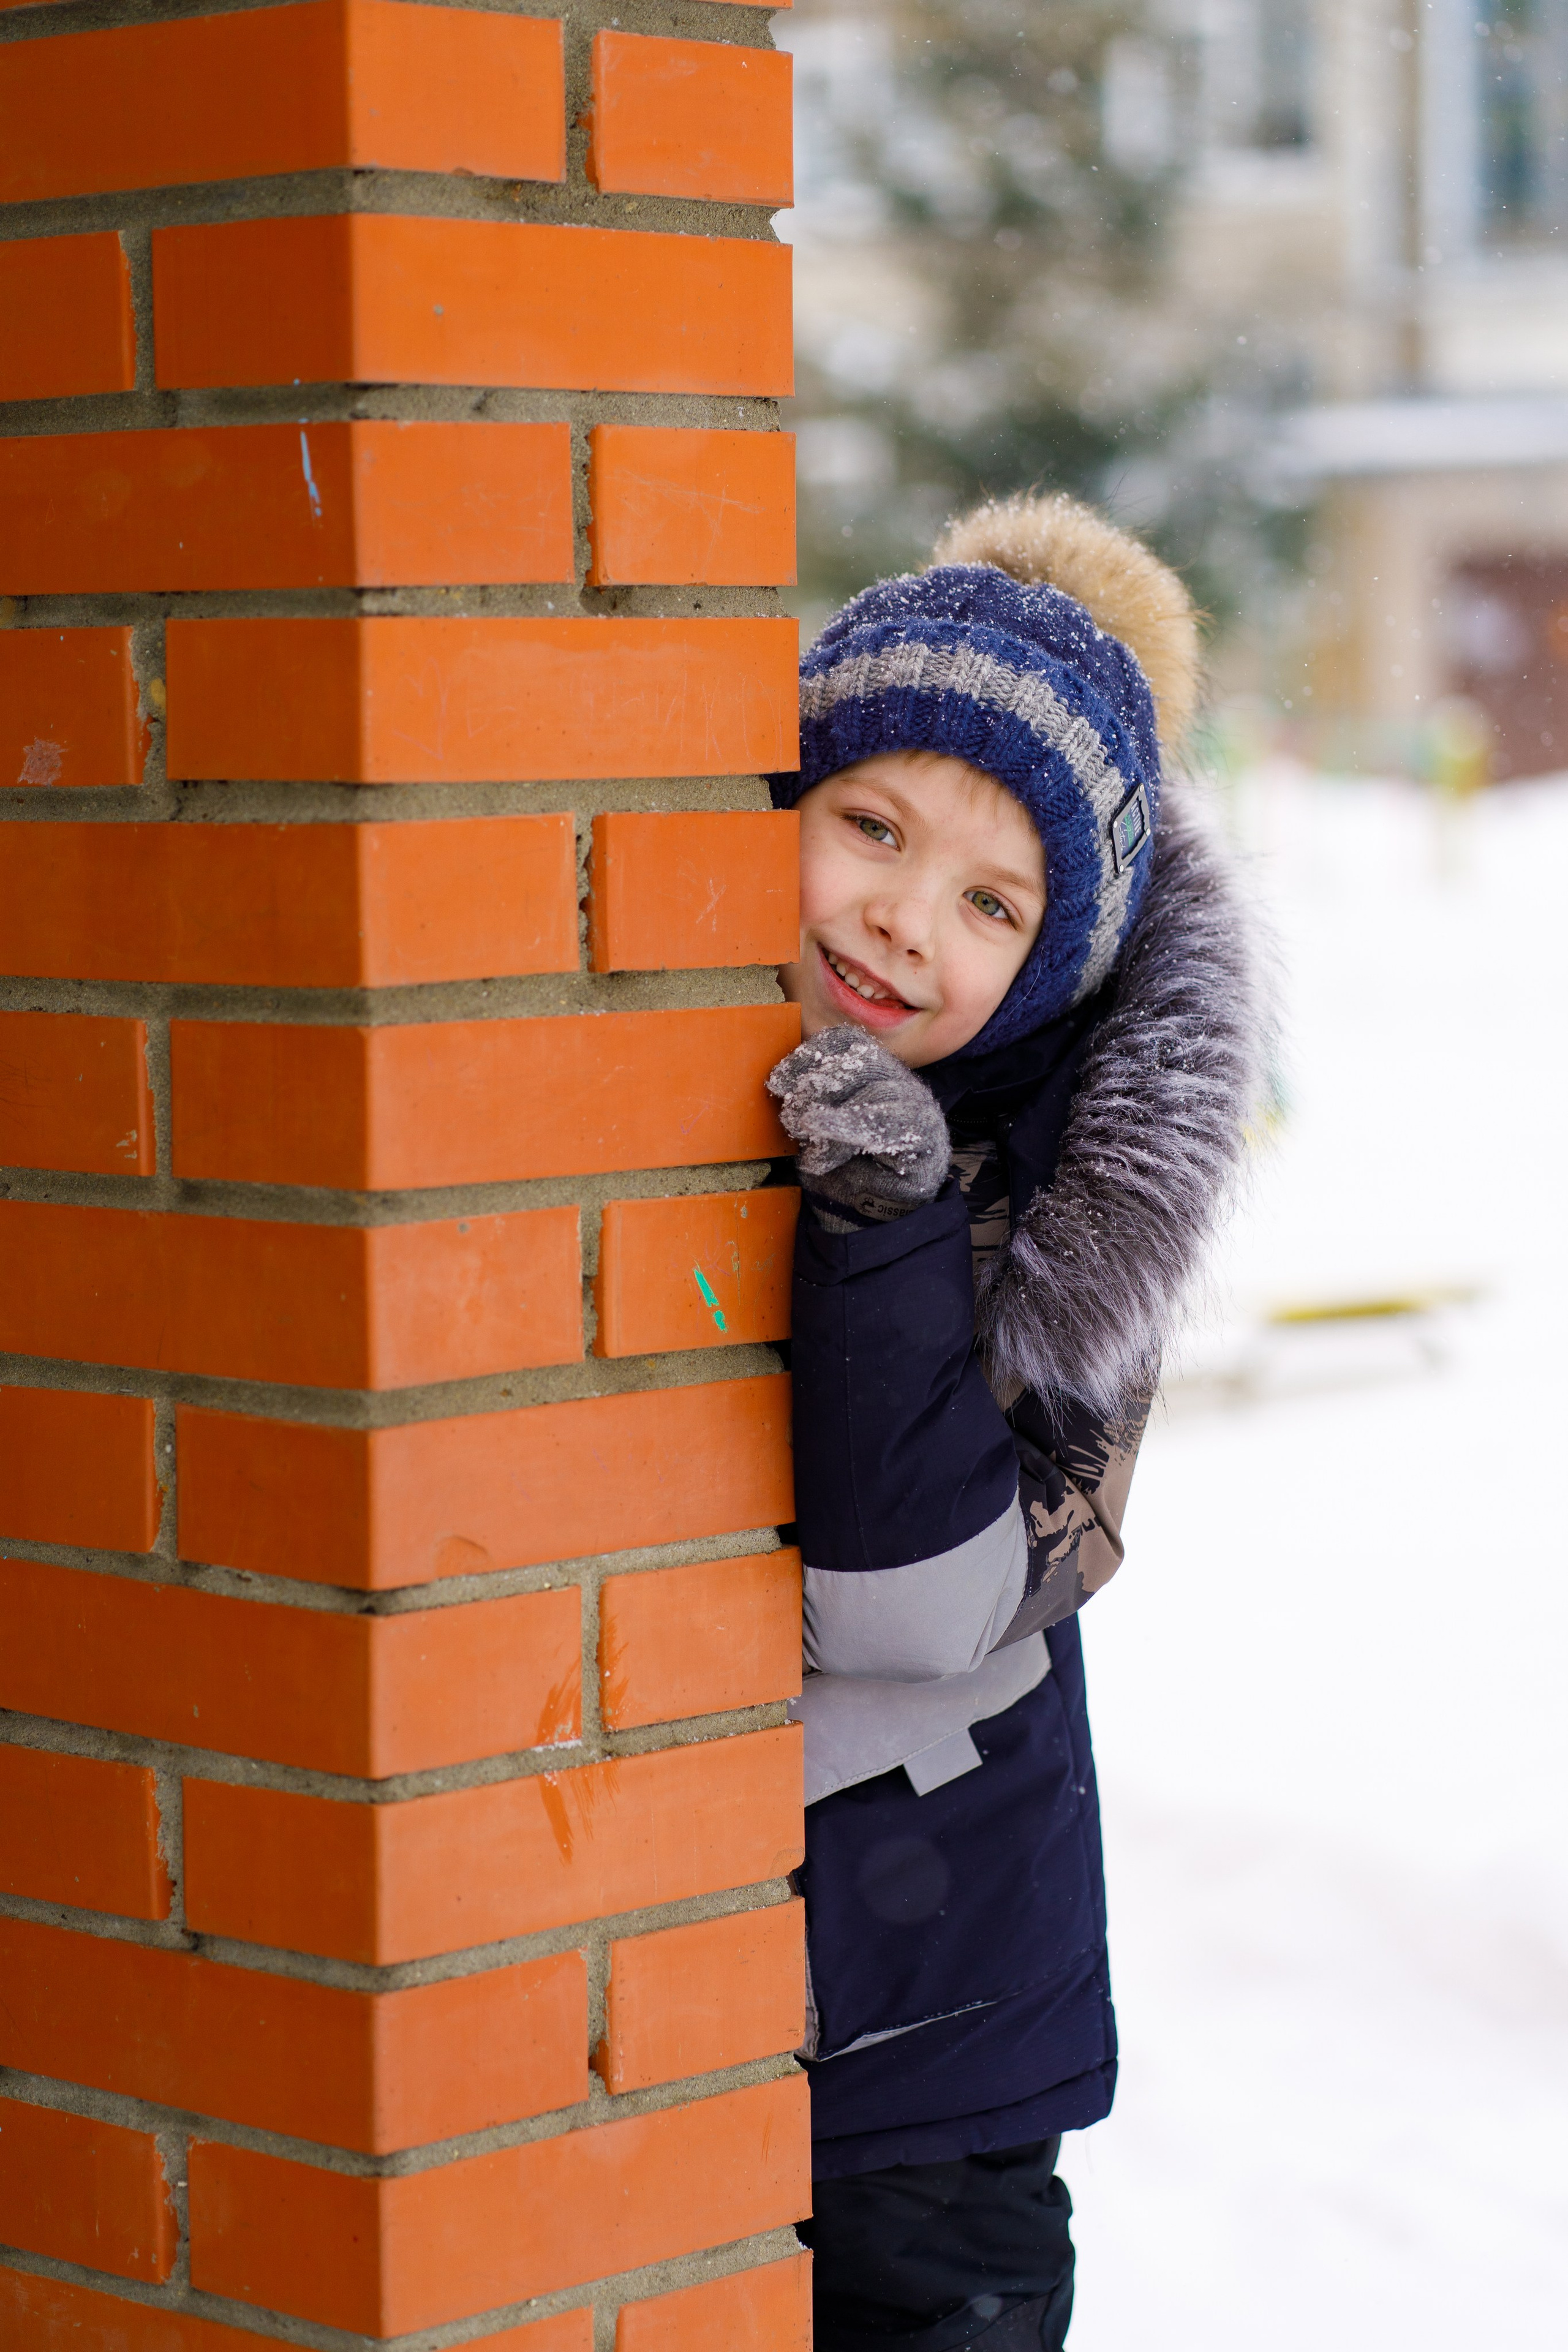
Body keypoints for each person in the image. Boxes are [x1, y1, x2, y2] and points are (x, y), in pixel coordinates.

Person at [763, 493, 1264, 2350]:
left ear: (1055, 964)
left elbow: (911, 1610)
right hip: (684, 2004)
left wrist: (888, 1233)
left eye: (992, 902)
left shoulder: (1079, 1181)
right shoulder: (668, 1050)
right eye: (870, 827)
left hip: (934, 2032)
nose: (903, 918)